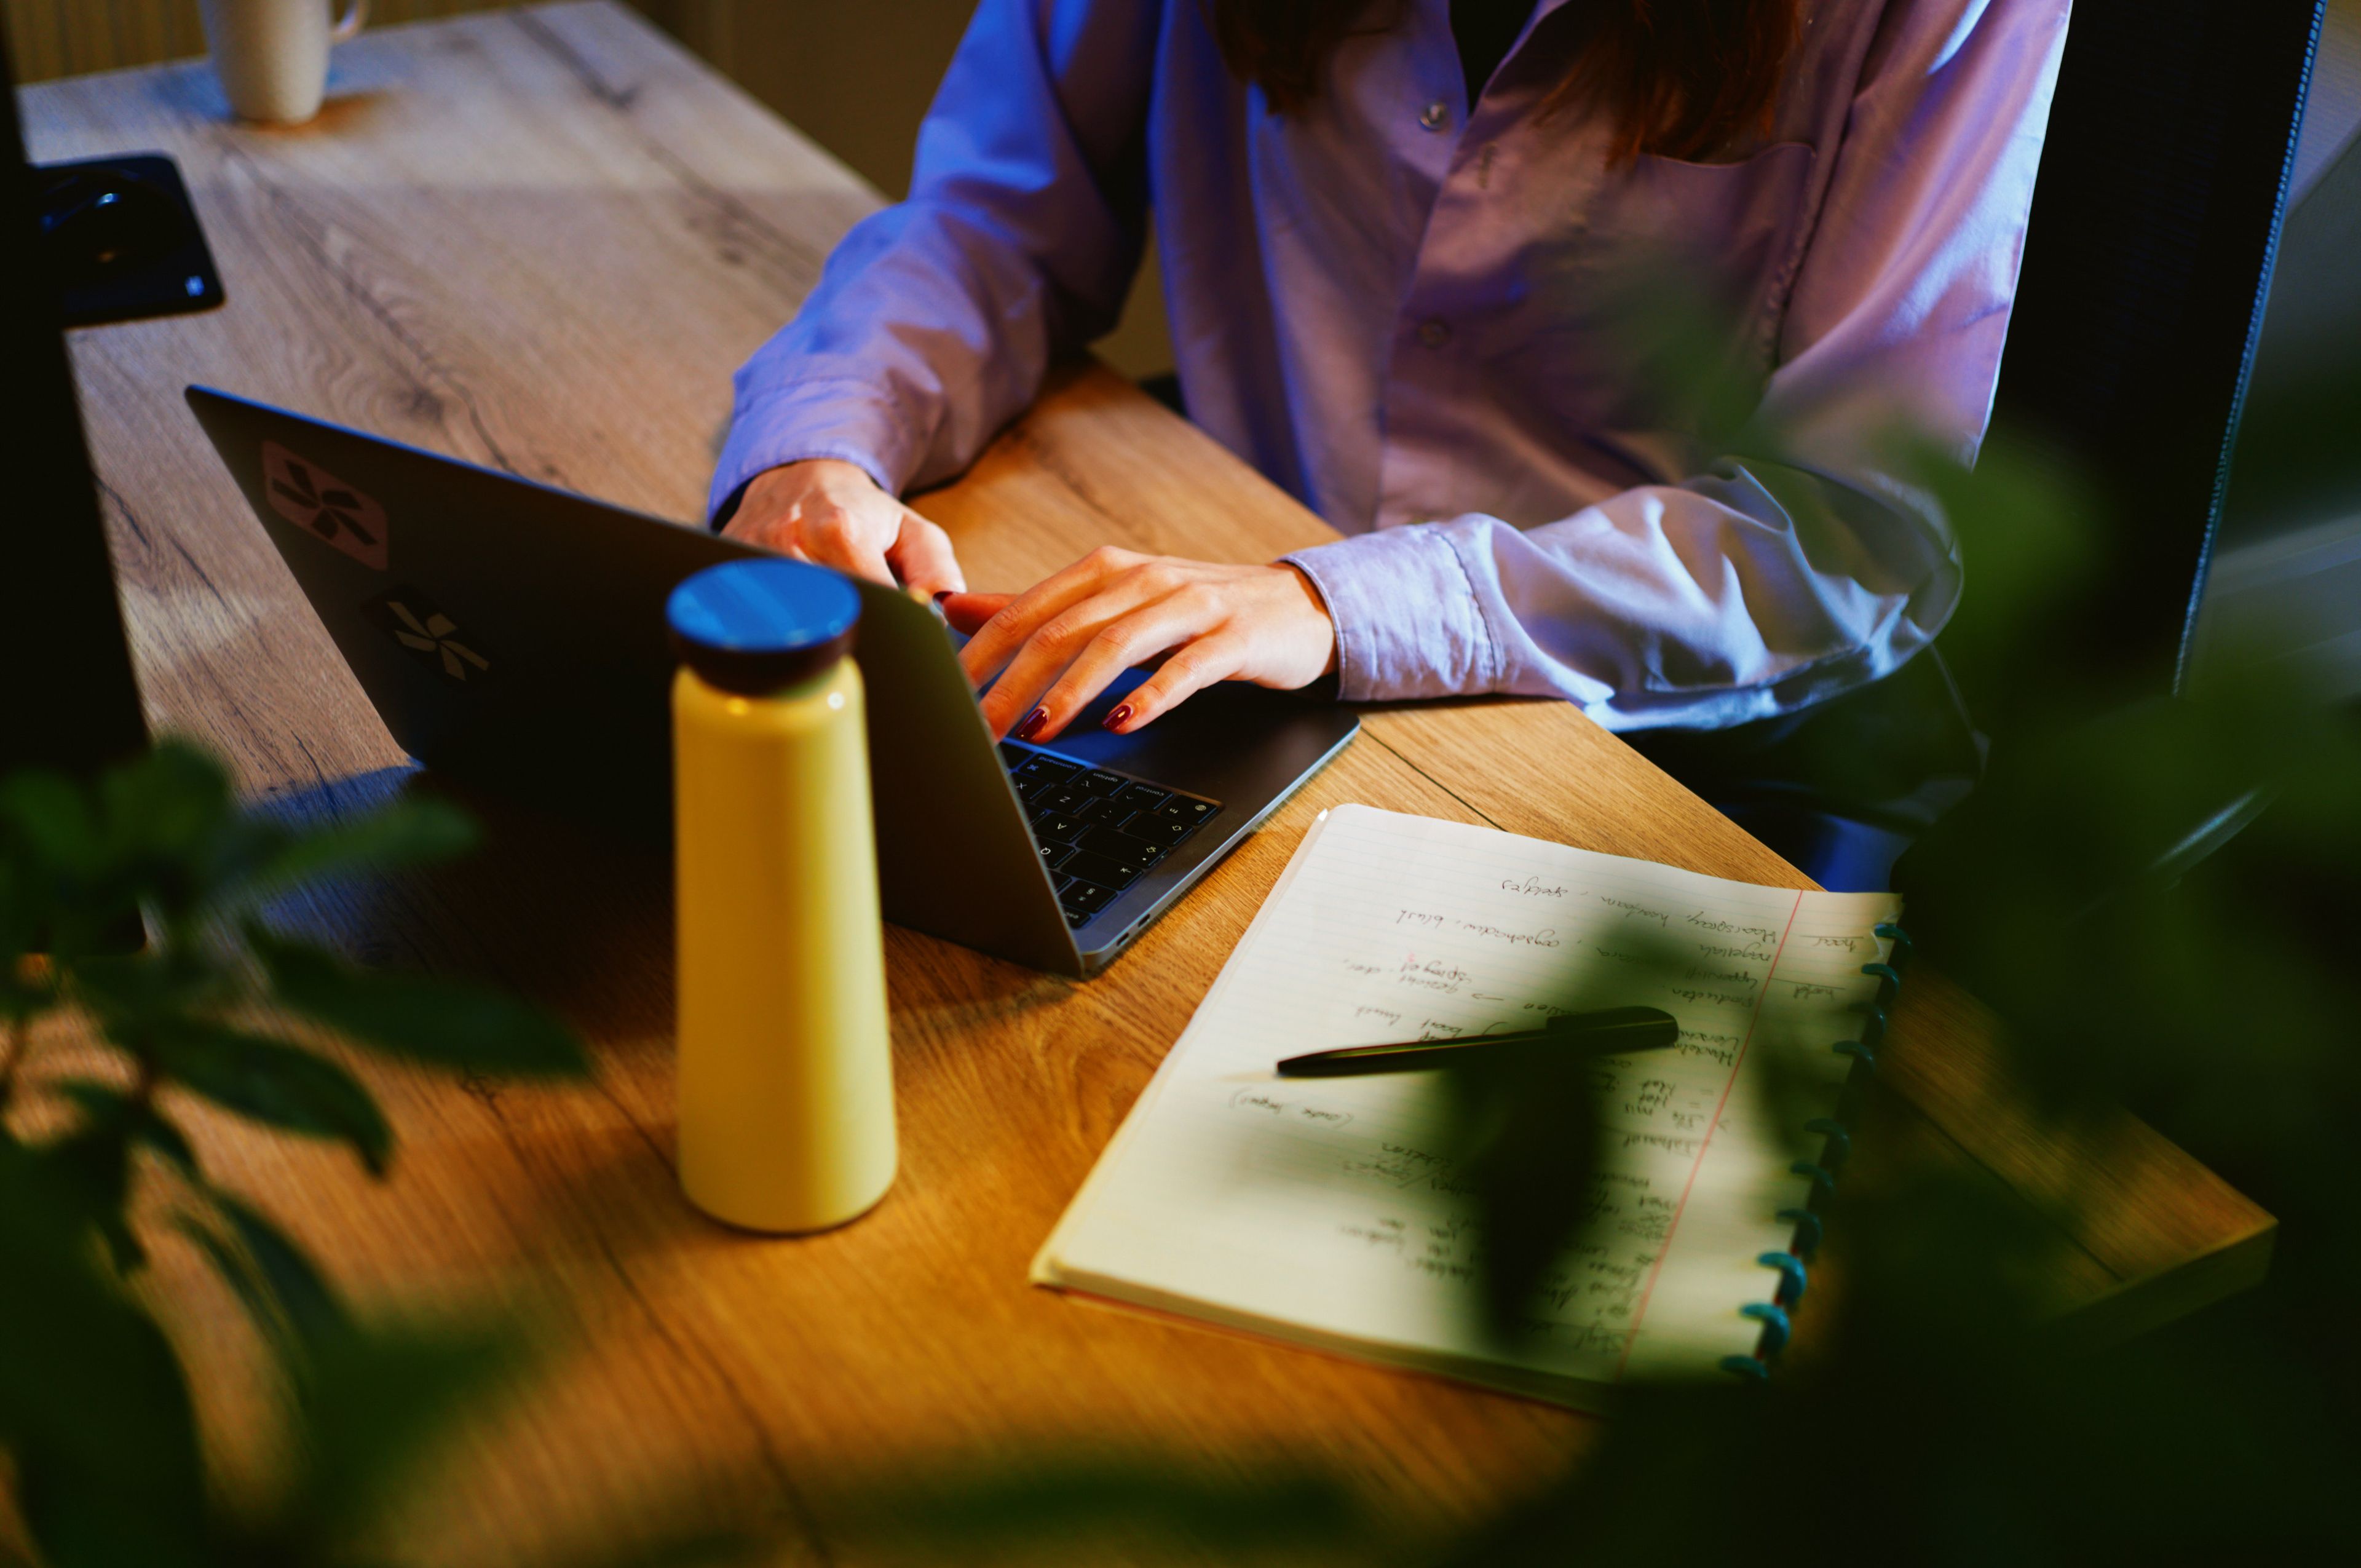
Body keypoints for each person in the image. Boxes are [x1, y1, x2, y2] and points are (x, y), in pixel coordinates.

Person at [710, 0, 2070, 889]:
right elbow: (995, 219)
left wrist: (1337, 602)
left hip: (1708, 745)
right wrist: (817, 452)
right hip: (1249, 643)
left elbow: (1850, 532)